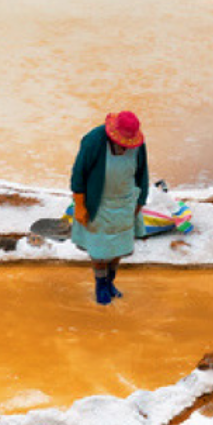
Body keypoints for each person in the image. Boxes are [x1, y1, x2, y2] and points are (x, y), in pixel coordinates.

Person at [69, 110, 149, 305]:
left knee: (119, 248)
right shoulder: (93, 141)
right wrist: (79, 206)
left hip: (125, 203)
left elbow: (142, 172)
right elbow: (78, 175)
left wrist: (140, 201)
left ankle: (110, 281)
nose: (125, 149)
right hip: (99, 203)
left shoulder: (137, 144)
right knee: (99, 250)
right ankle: (100, 284)